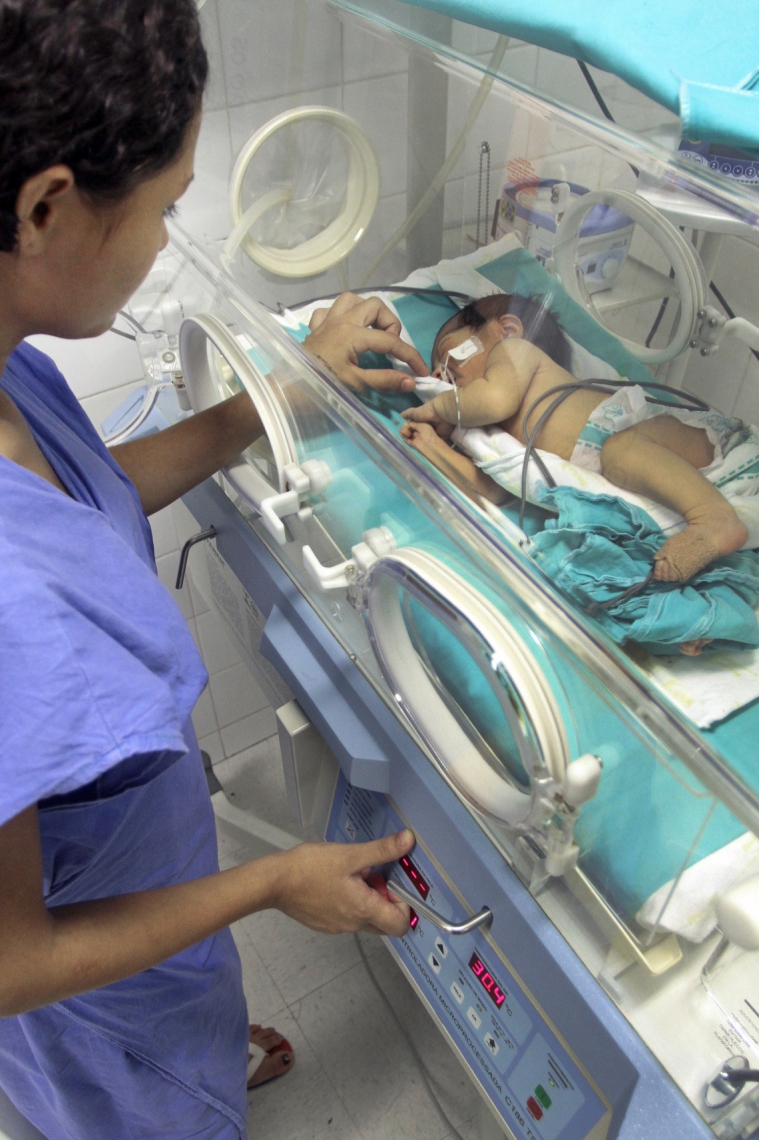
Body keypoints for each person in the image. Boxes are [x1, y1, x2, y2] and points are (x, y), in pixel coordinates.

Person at [0, 3, 426, 1138]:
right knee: (152, 1107)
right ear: (45, 208)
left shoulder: (11, 365)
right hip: (85, 984)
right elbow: (13, 961)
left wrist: (272, 400)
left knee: (187, 1030)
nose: (163, 243)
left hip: (136, 883)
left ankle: (197, 1051)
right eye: (165, 207)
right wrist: (275, 882)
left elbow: (82, 501)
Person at [400, 295, 749, 585]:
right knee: (629, 549)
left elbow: (494, 400)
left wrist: (440, 406)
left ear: (507, 329)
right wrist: (433, 447)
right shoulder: (492, 434)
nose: (437, 374)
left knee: (621, 452)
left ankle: (715, 517)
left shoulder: (512, 351)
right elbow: (498, 491)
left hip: (662, 435)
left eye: (445, 353)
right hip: (658, 481)